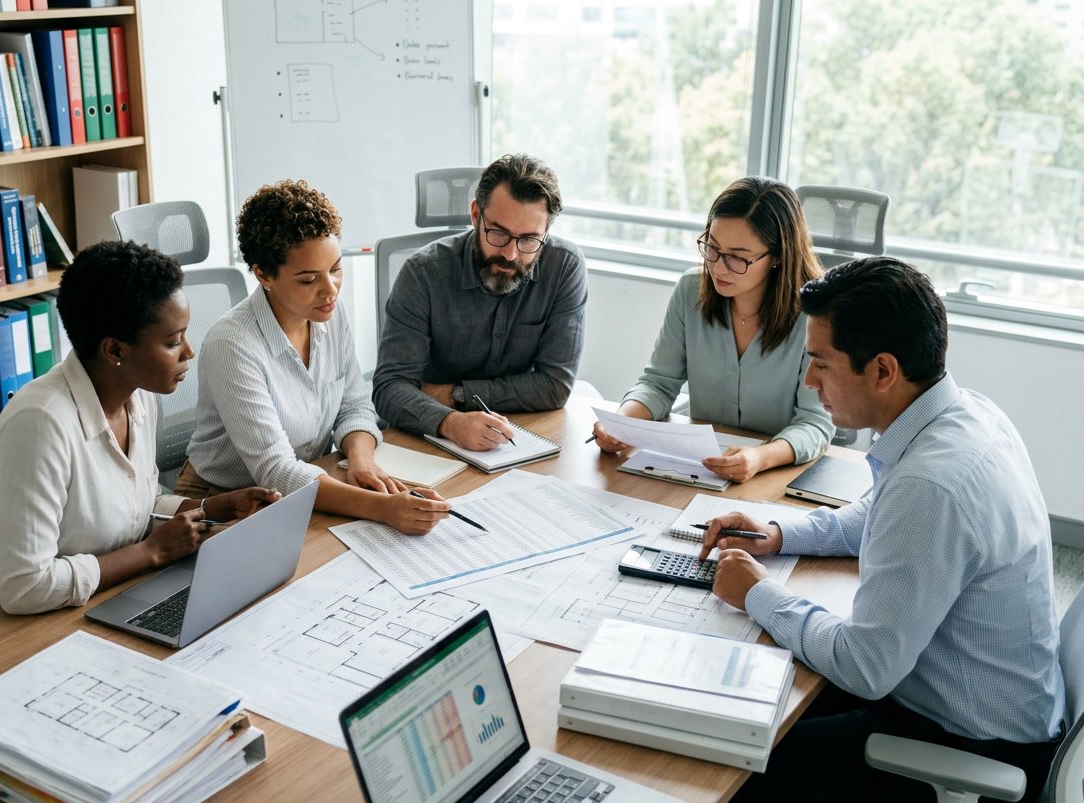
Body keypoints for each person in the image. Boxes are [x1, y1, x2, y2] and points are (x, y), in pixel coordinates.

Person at [699, 257, 1064, 803]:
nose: (809, 381)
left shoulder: (932, 485)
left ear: (884, 370)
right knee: (757, 692)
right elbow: (880, 513)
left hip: (973, 749)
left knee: (731, 765)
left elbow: (865, 667)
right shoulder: (964, 414)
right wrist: (781, 533)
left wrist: (758, 594)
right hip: (981, 701)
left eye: (820, 362)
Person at [0, 241, 281, 631]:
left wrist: (210, 509)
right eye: (172, 341)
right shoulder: (41, 424)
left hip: (95, 597)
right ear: (115, 350)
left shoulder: (137, 397)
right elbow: (24, 587)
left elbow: (135, 506)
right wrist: (151, 553)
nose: (189, 351)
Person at [177, 180, 450, 536]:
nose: (331, 289)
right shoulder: (232, 344)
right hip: (223, 502)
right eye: (308, 280)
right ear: (263, 274)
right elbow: (276, 470)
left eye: (336, 269)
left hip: (305, 483)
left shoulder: (329, 312)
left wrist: (361, 461)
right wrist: (384, 508)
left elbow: (355, 407)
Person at [592, 177, 834, 482]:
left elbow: (815, 423)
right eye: (713, 248)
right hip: (701, 468)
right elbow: (658, 383)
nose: (718, 268)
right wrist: (621, 423)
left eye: (737, 258)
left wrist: (760, 457)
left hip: (775, 475)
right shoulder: (690, 290)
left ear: (777, 256)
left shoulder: (815, 315)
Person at [372, 153, 588, 451]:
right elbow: (389, 388)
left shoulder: (564, 266)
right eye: (499, 233)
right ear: (476, 215)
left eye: (528, 240)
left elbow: (555, 386)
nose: (511, 254)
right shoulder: (423, 273)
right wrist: (450, 422)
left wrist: (458, 394)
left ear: (546, 232)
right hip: (431, 433)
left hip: (520, 434)